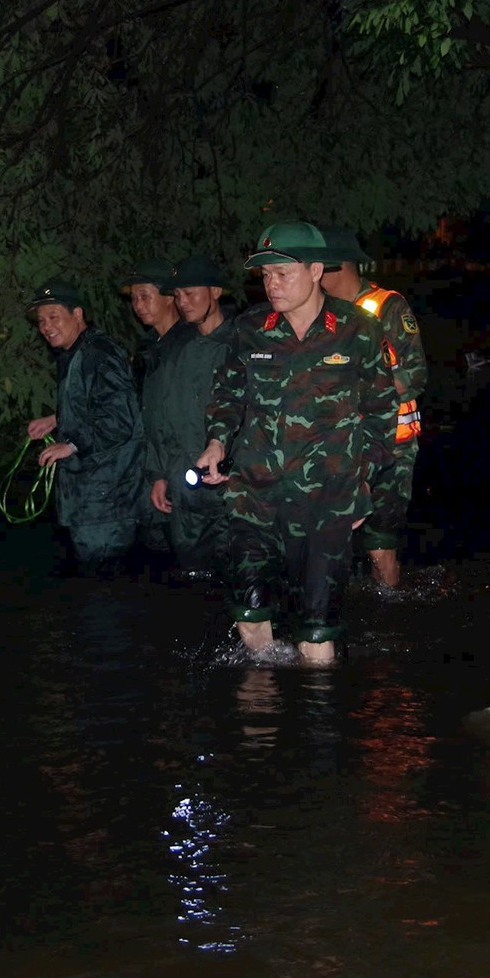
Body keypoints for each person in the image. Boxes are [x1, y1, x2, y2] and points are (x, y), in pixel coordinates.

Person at [195, 223, 397, 664]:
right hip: (255, 495)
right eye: (265, 275)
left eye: (283, 274)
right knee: (249, 615)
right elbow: (228, 395)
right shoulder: (250, 329)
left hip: (328, 499)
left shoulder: (357, 329)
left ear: (316, 270)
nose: (272, 284)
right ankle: (264, 719)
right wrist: (216, 443)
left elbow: (383, 414)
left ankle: (315, 723)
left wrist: (364, 485)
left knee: (316, 633)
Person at [318, 226, 428, 589]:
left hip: (392, 445)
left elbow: (414, 374)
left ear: (340, 267)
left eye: (319, 267)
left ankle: (390, 613)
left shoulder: (388, 306)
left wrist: (363, 393)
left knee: (380, 542)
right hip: (339, 447)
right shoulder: (322, 315)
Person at [25, 280, 146, 575]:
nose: (46, 326)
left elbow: (120, 419)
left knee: (105, 588)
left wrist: (71, 443)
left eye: (54, 317)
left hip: (106, 500)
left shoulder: (99, 353)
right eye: (41, 321)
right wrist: (57, 418)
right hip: (89, 499)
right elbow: (94, 403)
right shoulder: (73, 352)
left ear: (77, 314)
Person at [141, 254, 233, 577]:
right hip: (187, 490)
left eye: (190, 293)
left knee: (240, 582)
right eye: (177, 295)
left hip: (233, 491)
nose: (183, 302)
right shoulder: (174, 349)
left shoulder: (244, 342)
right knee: (194, 579)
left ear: (216, 291)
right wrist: (158, 474)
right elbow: (159, 415)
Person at [125, 258, 186, 556]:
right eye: (134, 298)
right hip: (153, 466)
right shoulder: (148, 347)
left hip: (181, 468)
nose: (138, 305)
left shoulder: (188, 344)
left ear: (168, 297)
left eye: (145, 296)